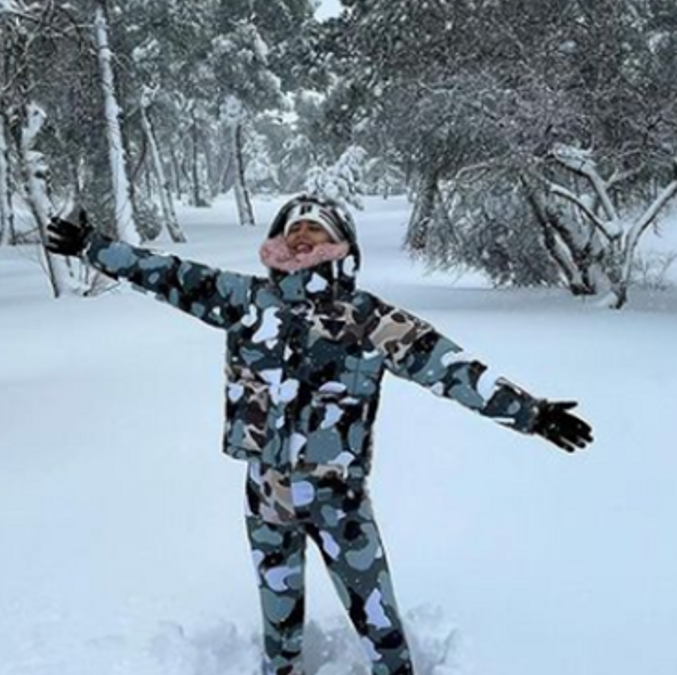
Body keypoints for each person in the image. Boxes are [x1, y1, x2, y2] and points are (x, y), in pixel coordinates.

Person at [44, 195, 593, 675]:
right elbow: (165, 273)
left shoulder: (366, 318)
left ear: (341, 244)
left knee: (377, 618)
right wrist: (92, 246)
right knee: (278, 623)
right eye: (293, 227)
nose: (302, 233)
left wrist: (531, 413)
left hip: (339, 501)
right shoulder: (246, 301)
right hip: (265, 494)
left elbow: (450, 369)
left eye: (317, 227)